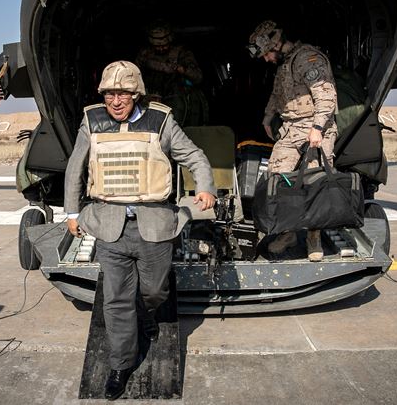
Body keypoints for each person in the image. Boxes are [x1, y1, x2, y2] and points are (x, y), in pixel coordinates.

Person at [63, 60, 216, 400]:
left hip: (154, 224)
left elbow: (194, 155)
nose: (115, 101)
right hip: (109, 223)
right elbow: (75, 168)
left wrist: (205, 186)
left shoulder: (160, 120)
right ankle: (120, 365)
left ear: (137, 94)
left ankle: (146, 315)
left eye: (123, 94)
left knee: (154, 292)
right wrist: (72, 212)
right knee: (116, 298)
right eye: (109, 95)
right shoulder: (92, 121)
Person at [247, 20, 338, 262]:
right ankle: (287, 233)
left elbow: (326, 94)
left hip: (315, 129)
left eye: (267, 53)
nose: (267, 59)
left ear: (276, 43)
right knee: (276, 180)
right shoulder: (285, 64)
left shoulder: (308, 58)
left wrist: (318, 128)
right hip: (290, 129)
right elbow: (278, 95)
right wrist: (268, 118)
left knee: (314, 184)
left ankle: (313, 238)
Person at [135, 22, 208, 127]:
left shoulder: (181, 53)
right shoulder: (145, 54)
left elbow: (197, 77)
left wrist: (181, 69)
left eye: (164, 45)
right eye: (157, 46)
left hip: (178, 100)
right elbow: (134, 75)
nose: (160, 49)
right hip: (150, 98)